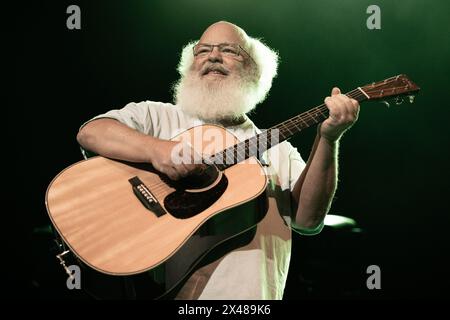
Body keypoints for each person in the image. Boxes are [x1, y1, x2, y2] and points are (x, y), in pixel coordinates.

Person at [77, 21, 359, 300]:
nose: (213, 56)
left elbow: (308, 220)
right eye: (203, 51)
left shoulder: (279, 150)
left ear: (254, 71)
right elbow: (91, 133)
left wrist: (328, 139)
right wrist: (158, 151)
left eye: (230, 50)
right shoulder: (157, 117)